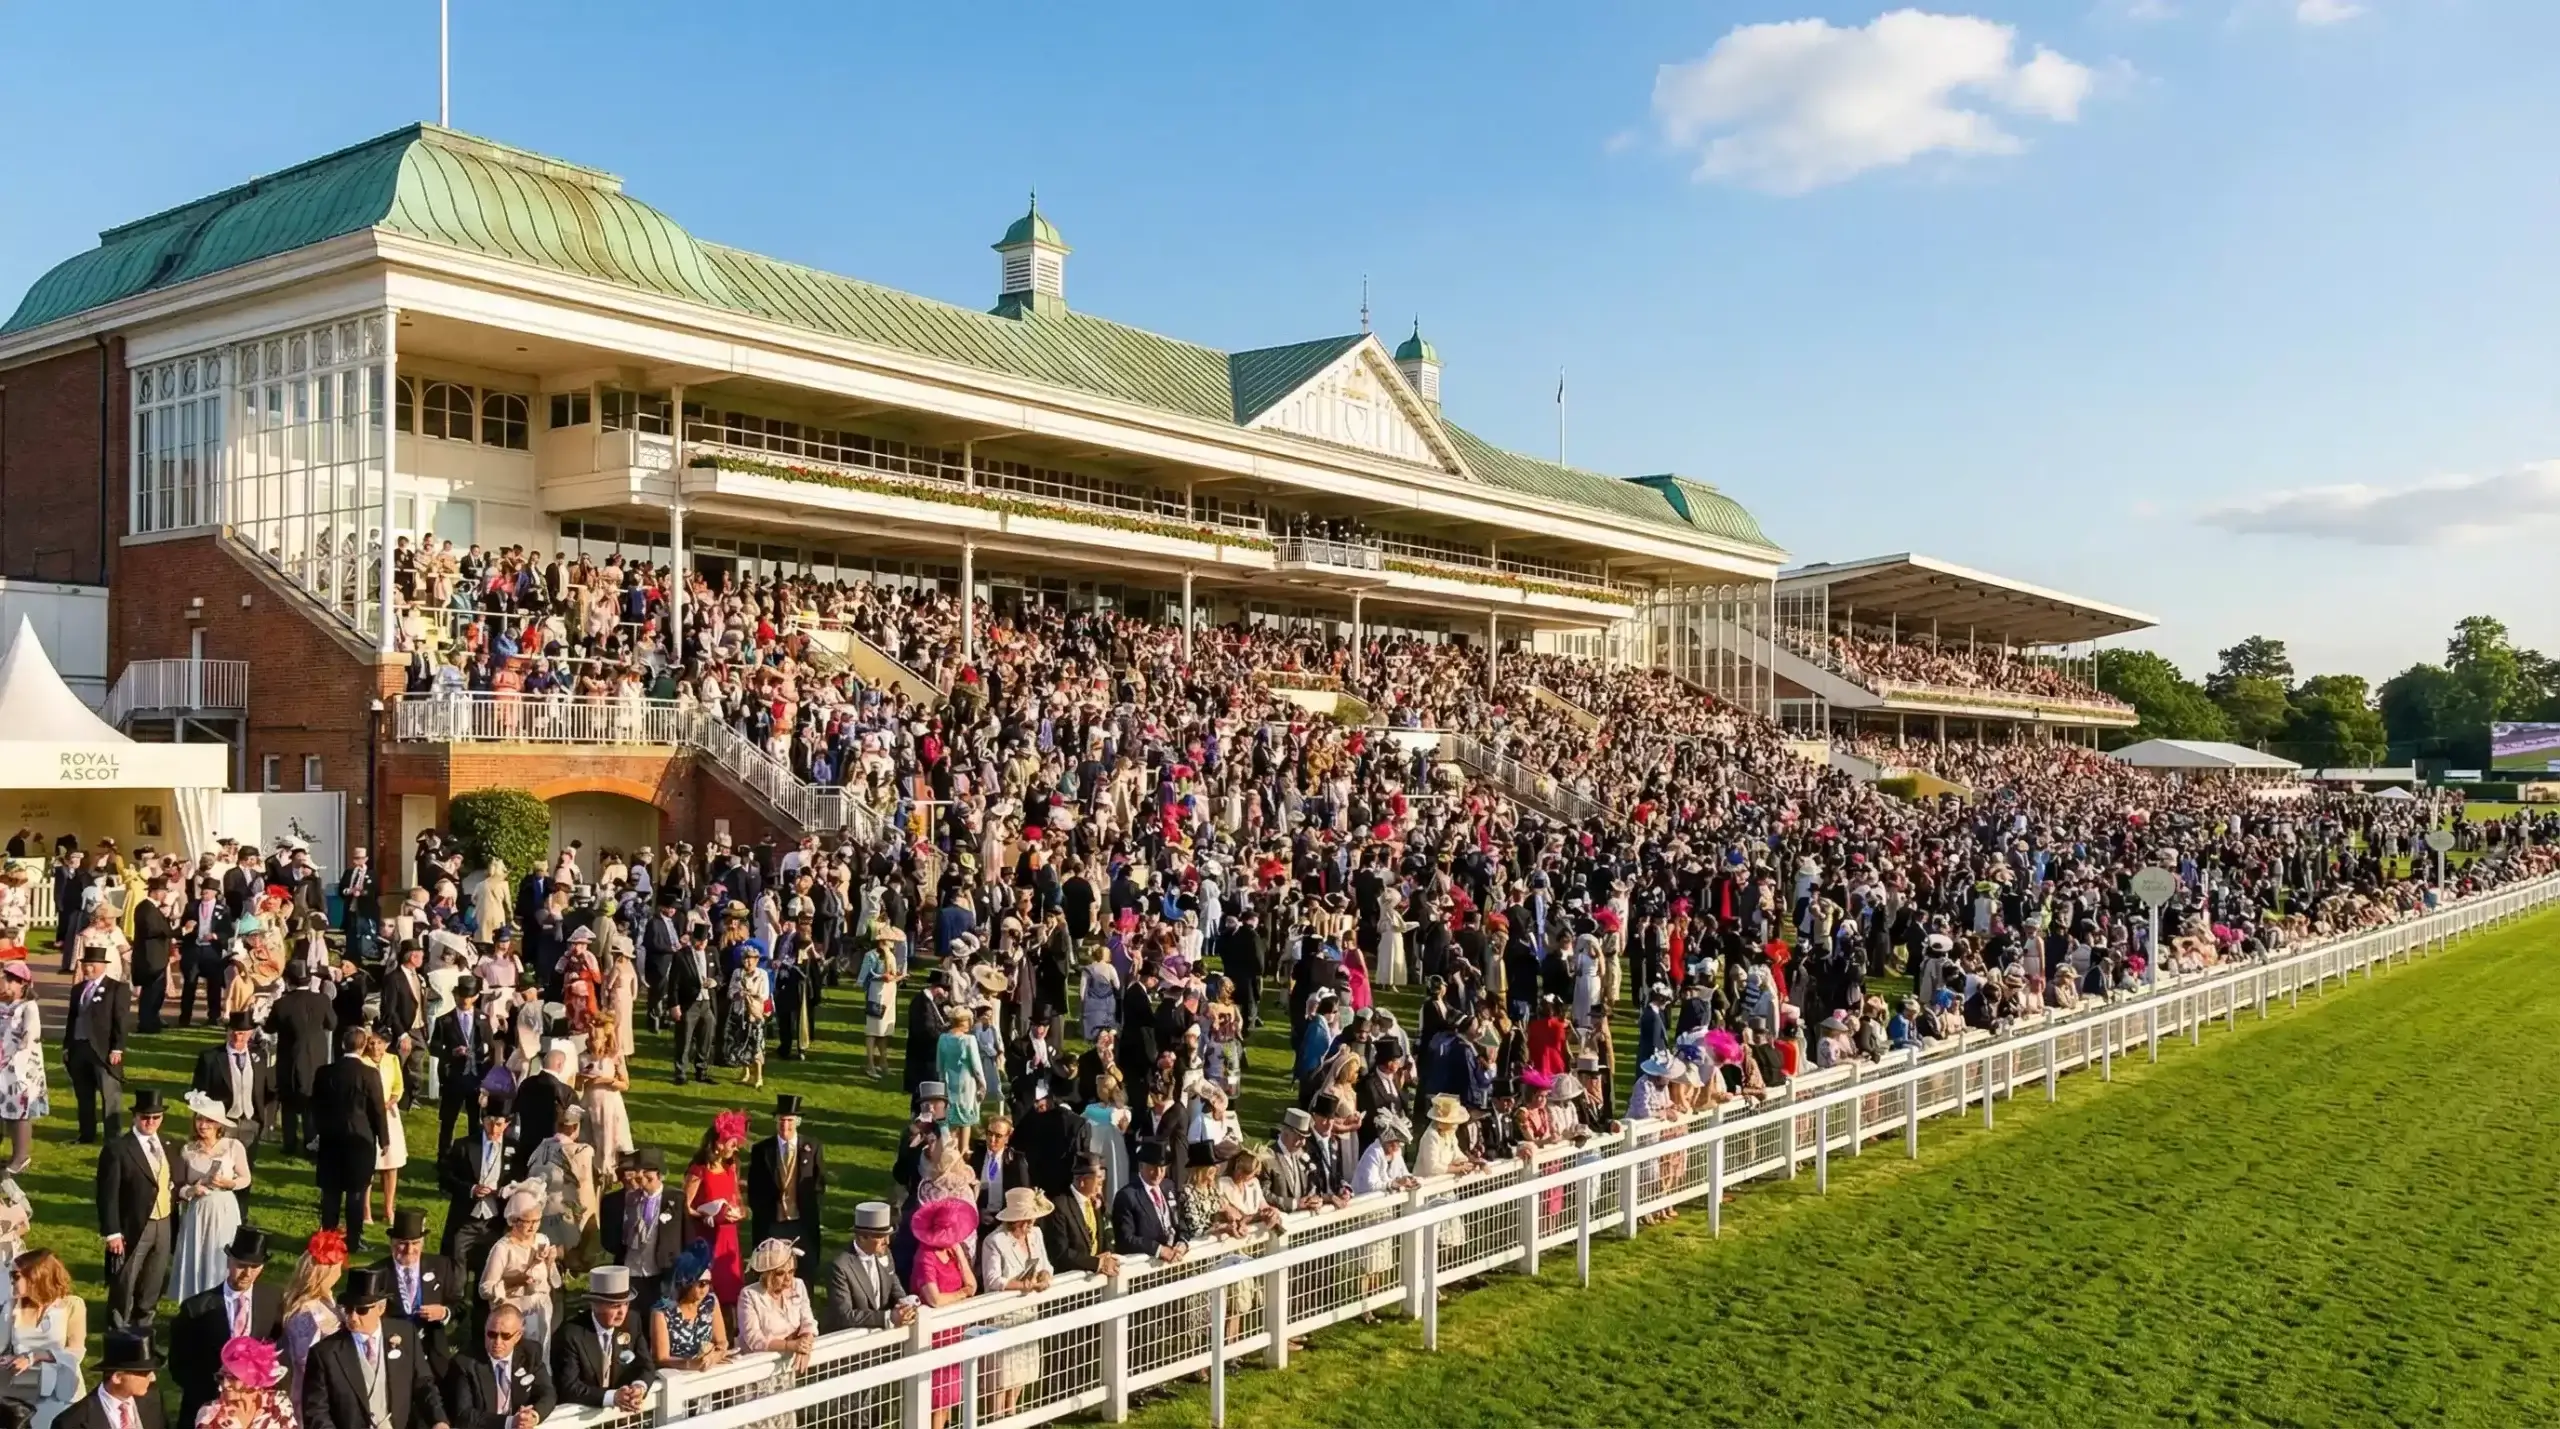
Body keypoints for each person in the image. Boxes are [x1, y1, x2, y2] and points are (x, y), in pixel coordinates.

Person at [296, 1268, 448, 1429]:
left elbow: (423, 1384)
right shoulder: (325, 1353)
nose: (353, 1317)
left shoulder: (406, 1334)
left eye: (362, 1310)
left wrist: (438, 1420)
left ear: (381, 1309)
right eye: (348, 1309)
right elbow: (316, 1412)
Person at [169, 1230, 281, 1429]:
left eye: (255, 1267)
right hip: (207, 1405)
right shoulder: (196, 1308)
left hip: (252, 1408)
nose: (248, 1274)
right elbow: (179, 1364)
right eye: (241, 1266)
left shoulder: (272, 1299)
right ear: (229, 1261)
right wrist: (215, 1394)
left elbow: (276, 1346)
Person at [100, 1087, 178, 1330]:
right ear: (135, 1117)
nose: (150, 1122)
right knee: (126, 1278)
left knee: (154, 1278)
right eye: (145, 1117)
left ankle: (144, 1326)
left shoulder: (168, 1144)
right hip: (133, 1224)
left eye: (156, 1117)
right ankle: (118, 1327)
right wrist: (112, 1232)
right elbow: (107, 1194)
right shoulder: (118, 1149)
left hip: (163, 1221)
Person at [976, 1189, 1054, 1417]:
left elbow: (1047, 1264)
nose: (1029, 1225)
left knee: (1021, 1374)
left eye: (1031, 1219)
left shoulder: (1036, 1234)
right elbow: (992, 1280)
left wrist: (1045, 1276)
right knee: (1001, 1378)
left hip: (1028, 1314)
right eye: (1025, 1220)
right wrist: (1023, 1285)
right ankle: (995, 1419)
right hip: (1003, 1317)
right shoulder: (995, 1241)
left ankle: (1013, 1415)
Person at [171, 1092, 253, 1302]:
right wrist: (191, 1191)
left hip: (224, 1207)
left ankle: (224, 1298)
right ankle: (195, 1299)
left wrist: (229, 1184)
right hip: (199, 1209)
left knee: (221, 1253)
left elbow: (245, 1178)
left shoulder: (233, 1147)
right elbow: (177, 1185)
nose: (203, 1125)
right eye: (199, 1119)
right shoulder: (188, 1150)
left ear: (218, 1124)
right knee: (198, 1255)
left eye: (209, 1120)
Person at [310, 1029, 387, 1250]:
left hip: (331, 1138)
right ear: (363, 1047)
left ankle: (328, 1238)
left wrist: (319, 1130)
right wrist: (384, 1138)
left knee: (331, 1191)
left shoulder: (324, 1072)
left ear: (343, 1044)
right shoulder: (369, 1074)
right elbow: (377, 1109)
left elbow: (315, 1105)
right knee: (356, 1191)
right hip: (360, 1138)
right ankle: (354, 1239)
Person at [905, 1200, 978, 1429]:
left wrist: (959, 1252)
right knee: (936, 1399)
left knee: (950, 1396)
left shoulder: (953, 1252)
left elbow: (972, 1285)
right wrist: (961, 1295)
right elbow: (934, 1298)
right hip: (934, 1335)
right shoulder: (925, 1257)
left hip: (954, 1331)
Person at [549, 1266, 650, 1415]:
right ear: (595, 1305)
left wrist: (639, 1387)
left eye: (626, 1304)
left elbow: (646, 1366)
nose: (622, 1312)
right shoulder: (570, 1334)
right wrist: (612, 1397)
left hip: (623, 1418)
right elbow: (568, 1387)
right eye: (615, 1305)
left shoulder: (633, 1321)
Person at [746, 1095, 824, 1288]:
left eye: (789, 1120)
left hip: (802, 1221)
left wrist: (813, 1210)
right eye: (781, 1120)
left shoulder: (812, 1147)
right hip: (773, 1222)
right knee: (772, 1271)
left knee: (804, 1271)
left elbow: (819, 1183)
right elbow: (753, 1186)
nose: (785, 1125)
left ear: (797, 1122)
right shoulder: (762, 1150)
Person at [476, 1187, 563, 1357]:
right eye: (527, 1221)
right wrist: (517, 1280)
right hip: (514, 1308)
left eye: (537, 1221)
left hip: (541, 1305)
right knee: (518, 1355)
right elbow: (485, 1289)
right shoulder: (503, 1248)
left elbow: (549, 1279)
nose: (533, 1227)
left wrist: (549, 1261)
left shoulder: (542, 1239)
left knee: (541, 1352)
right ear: (515, 1220)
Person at [377, 1210, 461, 1383]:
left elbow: (460, 1306)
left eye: (415, 1243)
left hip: (433, 1349)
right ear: (391, 1242)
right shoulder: (378, 1272)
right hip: (394, 1348)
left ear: (423, 1243)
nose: (409, 1250)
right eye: (403, 1243)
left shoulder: (441, 1266)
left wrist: (444, 1312)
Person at [5, 1249, 84, 1429]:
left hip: (61, 1390)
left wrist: (36, 1355)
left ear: (35, 1277)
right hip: (23, 1388)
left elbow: (75, 1352)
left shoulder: (72, 1305)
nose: (11, 1281)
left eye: (16, 1276)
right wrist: (9, 1358)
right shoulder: (13, 1306)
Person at [441, 1303, 553, 1429]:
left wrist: (534, 1415)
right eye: (492, 1334)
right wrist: (510, 1422)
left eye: (506, 1336)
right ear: (485, 1330)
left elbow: (548, 1392)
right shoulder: (465, 1363)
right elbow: (464, 1414)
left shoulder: (530, 1353)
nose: (497, 1342)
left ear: (518, 1336)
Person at [61, 944, 131, 1144]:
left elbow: (121, 1020)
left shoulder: (116, 988)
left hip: (103, 1049)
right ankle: (86, 1134)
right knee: (84, 1096)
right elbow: (72, 1018)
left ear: (103, 966)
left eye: (92, 965)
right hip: (79, 1047)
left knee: (110, 1096)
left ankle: (113, 1137)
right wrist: (67, 1045)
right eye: (85, 965)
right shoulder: (78, 990)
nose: (87, 969)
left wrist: (118, 1047)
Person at [598, 1148, 680, 1310]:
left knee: (658, 1322)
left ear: (659, 1173)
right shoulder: (622, 1201)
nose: (640, 1175)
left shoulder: (676, 1199)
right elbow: (609, 1241)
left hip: (662, 1275)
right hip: (629, 1272)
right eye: (637, 1171)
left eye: (647, 1170)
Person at [267, 964, 336, 1158]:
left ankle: (289, 1143)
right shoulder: (322, 1000)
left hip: (289, 1058)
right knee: (312, 1103)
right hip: (316, 1058)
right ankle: (310, 1143)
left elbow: (269, 1028)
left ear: (288, 981)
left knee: (288, 1102)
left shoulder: (282, 1003)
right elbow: (332, 1024)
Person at [438, 1100, 513, 1277]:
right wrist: (471, 1189)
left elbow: (520, 1181)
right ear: (482, 1120)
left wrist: (503, 1192)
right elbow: (445, 1177)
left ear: (507, 1124)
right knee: (456, 1267)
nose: (493, 1130)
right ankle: (454, 1301)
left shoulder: (515, 1149)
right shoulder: (464, 1146)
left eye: (499, 1124)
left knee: (489, 1269)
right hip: (466, 1219)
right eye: (489, 1123)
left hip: (495, 1221)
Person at [190, 1014, 272, 1171]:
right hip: (223, 1122)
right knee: (220, 1167)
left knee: (246, 1167)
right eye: (233, 1031)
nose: (237, 1036)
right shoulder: (211, 1058)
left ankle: (242, 1195)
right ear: (227, 1032)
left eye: (242, 1032)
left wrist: (262, 1117)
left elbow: (266, 1088)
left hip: (251, 1122)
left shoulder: (259, 1056)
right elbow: (199, 1091)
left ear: (250, 1033)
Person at [682, 1112, 749, 1308]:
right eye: (732, 1144)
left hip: (729, 1236)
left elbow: (736, 1197)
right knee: (710, 1285)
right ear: (719, 1143)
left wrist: (741, 1212)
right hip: (707, 1236)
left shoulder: (731, 1167)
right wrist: (705, 1216)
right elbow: (685, 1205)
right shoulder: (699, 1169)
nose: (736, 1148)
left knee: (731, 1286)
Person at [820, 1203, 915, 1334]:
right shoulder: (840, 1266)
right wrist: (887, 1317)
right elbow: (844, 1315)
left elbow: (894, 1285)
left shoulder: (885, 1253)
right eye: (881, 1236)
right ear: (862, 1237)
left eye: (888, 1235)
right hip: (848, 1340)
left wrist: (905, 1306)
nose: (887, 1242)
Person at [276, 1233, 346, 1403]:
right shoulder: (306, 1313)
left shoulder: (326, 1299)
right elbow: (305, 1361)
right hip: (314, 1394)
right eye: (338, 1267)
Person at [429, 978, 496, 1156]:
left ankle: (473, 1157)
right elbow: (434, 1047)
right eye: (461, 996)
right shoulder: (445, 1020)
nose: (464, 1000)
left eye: (469, 996)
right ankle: (443, 1156)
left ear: (474, 997)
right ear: (455, 995)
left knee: (475, 1121)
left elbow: (490, 1046)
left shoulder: (482, 1019)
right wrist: (452, 1052)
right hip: (454, 1078)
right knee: (448, 1120)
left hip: (476, 1078)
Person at [734, 1239, 818, 1377]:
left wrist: (806, 1342)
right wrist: (790, 1345)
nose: (788, 1279)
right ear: (767, 1274)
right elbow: (754, 1339)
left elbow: (808, 1320)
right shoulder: (749, 1295)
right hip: (756, 1367)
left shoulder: (799, 1285)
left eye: (791, 1271)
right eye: (780, 1273)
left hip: (786, 1366)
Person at [645, 1245, 729, 1374]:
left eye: (708, 1283)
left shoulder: (710, 1301)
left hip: (707, 1371)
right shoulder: (662, 1311)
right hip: (675, 1377)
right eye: (701, 1283)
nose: (705, 1289)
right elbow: (661, 1358)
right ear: (686, 1282)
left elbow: (722, 1341)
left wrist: (715, 1356)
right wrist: (692, 1364)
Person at [50, 1330, 160, 1429]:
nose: (152, 1378)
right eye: (145, 1373)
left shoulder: (153, 1400)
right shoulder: (71, 1423)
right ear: (117, 1377)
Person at [358, 1026, 410, 1226]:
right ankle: (366, 1210)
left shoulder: (392, 1060)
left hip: (389, 1115)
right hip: (368, 1116)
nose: (375, 1046)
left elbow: (399, 1085)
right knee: (368, 1165)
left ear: (386, 1044)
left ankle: (389, 1209)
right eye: (371, 1042)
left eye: (379, 1042)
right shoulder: (362, 1062)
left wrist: (391, 1101)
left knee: (391, 1164)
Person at [0, 965, 47, 1174]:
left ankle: (21, 1156)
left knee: (18, 1111)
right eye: (6, 979)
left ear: (23, 985)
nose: (6, 983)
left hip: (20, 1069)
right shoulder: (2, 1005)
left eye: (12, 980)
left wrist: (14, 1056)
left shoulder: (28, 1007)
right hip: (2, 1066)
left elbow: (30, 1035)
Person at [194, 1335, 293, 1429]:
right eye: (221, 1377)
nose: (225, 1384)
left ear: (254, 1384)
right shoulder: (210, 1416)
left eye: (233, 1378)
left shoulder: (278, 1403)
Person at [1111, 1142, 1187, 1263]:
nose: (1158, 1173)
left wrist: (1182, 1242)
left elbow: (1180, 1220)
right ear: (1141, 1166)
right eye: (1153, 1168)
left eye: (1162, 1168)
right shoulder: (1127, 1196)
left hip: (1174, 1262)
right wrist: (1158, 1249)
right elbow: (1125, 1239)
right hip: (1145, 1268)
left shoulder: (1169, 1186)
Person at [576, 1020, 633, 1179]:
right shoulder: (582, 1058)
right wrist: (582, 1079)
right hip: (590, 1102)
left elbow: (625, 1085)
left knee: (610, 1136)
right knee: (591, 1135)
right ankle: (592, 1170)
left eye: (597, 1038)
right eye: (591, 1037)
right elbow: (576, 1084)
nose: (593, 1041)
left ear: (605, 1039)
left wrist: (605, 1080)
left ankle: (610, 1170)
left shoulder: (614, 1057)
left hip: (610, 1103)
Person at [666, 928, 716, 1086]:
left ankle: (702, 1070)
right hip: (689, 1003)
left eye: (704, 941)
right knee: (684, 1039)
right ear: (693, 939)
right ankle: (680, 1072)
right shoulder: (681, 955)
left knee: (706, 1037)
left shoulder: (712, 952)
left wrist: (715, 982)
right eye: (698, 941)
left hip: (706, 1002)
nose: (701, 944)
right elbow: (673, 982)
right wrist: (674, 1005)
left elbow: (719, 974)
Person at [937, 1007, 986, 1155]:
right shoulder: (969, 1040)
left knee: (951, 1116)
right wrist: (982, 1084)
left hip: (948, 1081)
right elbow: (976, 1066)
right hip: (966, 1082)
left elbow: (939, 1064)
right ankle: (964, 1149)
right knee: (965, 1118)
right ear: (963, 1022)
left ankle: (950, 1151)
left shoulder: (942, 1038)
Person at [724, 944, 772, 1088]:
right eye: (745, 959)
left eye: (750, 959)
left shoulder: (762, 974)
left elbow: (765, 995)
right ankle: (745, 1072)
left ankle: (758, 1076)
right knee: (740, 1043)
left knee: (756, 1044)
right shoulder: (737, 973)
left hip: (755, 1014)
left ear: (757, 960)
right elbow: (730, 992)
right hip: (740, 1013)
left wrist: (751, 993)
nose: (747, 962)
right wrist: (738, 994)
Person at [856, 933, 901, 1078]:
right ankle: (870, 1064)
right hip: (877, 993)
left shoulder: (890, 956)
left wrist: (897, 977)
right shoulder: (872, 955)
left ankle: (883, 1062)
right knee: (873, 1030)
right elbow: (864, 977)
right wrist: (882, 977)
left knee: (884, 1031)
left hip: (887, 993)